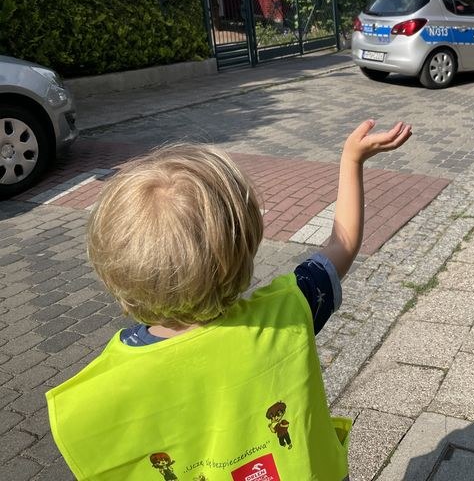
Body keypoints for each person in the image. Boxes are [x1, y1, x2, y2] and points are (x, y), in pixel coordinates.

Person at [46, 119, 412, 481]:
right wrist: (352, 160)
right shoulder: (286, 312)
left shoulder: (98, 391)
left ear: (113, 270)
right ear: (243, 247)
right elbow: (343, 244)